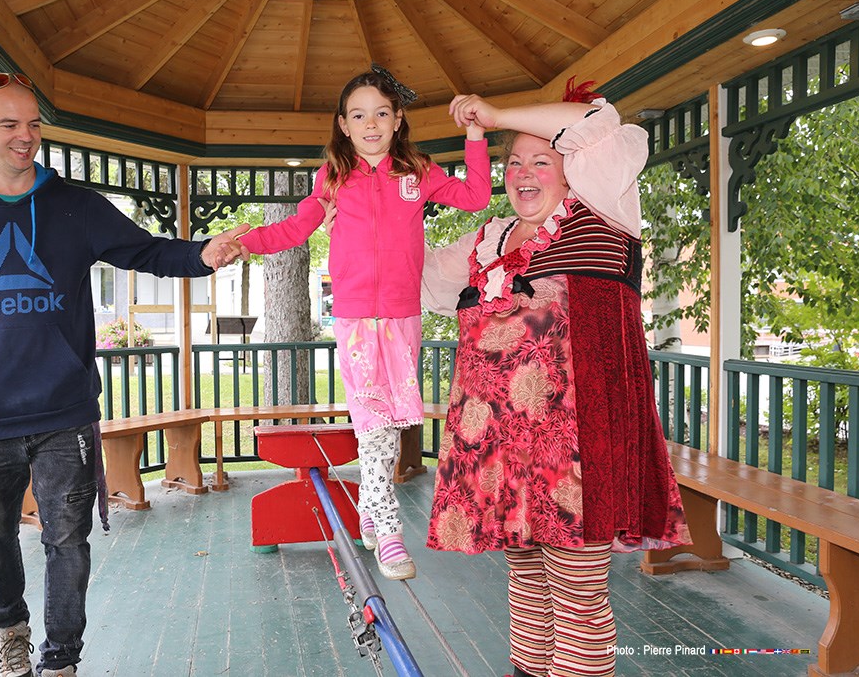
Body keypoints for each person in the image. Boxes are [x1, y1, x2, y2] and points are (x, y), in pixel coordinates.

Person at [0, 72, 249, 677]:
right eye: (9, 125)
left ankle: (61, 659)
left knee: (68, 542)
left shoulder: (75, 206)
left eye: (33, 124)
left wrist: (201, 254)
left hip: (65, 411)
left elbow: (145, 252)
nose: (25, 137)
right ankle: (10, 631)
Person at [421, 83, 691, 677]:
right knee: (528, 586)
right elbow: (409, 277)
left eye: (541, 159)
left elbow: (597, 123)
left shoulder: (606, 207)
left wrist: (493, 116)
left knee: (577, 593)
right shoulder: (488, 241)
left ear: (572, 172)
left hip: (581, 445)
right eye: (512, 161)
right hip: (504, 451)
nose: (522, 171)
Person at [239, 65, 492, 581]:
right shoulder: (333, 177)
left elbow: (476, 197)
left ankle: (372, 511)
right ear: (343, 124)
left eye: (381, 113)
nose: (371, 124)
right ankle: (389, 528)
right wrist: (243, 243)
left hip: (402, 315)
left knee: (396, 420)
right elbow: (294, 228)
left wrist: (475, 135)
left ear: (398, 119)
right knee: (374, 424)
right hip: (355, 318)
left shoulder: (417, 172)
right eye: (359, 115)